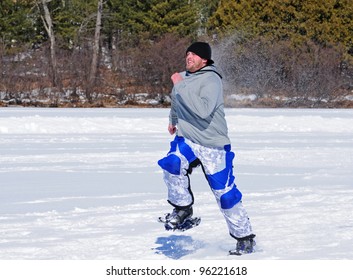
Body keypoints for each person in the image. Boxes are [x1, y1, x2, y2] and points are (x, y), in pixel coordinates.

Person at [158, 42, 256, 255]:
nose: (189, 57)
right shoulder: (183, 77)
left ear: (205, 60)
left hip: (213, 146)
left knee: (225, 195)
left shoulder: (212, 80)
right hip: (188, 140)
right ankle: (183, 209)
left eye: (194, 54)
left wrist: (179, 84)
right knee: (172, 163)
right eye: (187, 53)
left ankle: (244, 237)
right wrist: (173, 119)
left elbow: (203, 110)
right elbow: (177, 100)